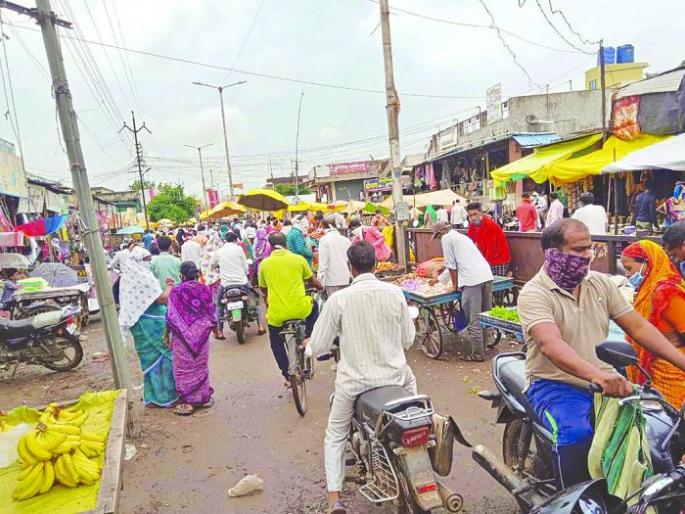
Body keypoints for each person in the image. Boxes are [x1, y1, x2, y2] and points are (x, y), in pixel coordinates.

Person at [517, 219, 685, 488]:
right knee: (577, 436)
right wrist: (597, 376)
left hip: (607, 383)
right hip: (555, 385)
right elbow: (551, 345)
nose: (587, 256)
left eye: (589, 249)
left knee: (656, 435)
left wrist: (682, 362)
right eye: (579, 250)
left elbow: (640, 328)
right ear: (552, 253)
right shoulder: (534, 293)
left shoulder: (600, 284)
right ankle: (574, 500)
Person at [308, 241, 417, 514]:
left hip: (354, 383)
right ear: (377, 264)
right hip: (396, 377)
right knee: (416, 411)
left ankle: (335, 498)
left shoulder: (338, 300)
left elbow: (320, 346)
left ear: (349, 268)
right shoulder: (395, 293)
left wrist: (315, 345)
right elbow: (408, 339)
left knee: (334, 435)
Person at [621, 241, 685, 407]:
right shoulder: (646, 290)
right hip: (653, 373)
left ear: (647, 263)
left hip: (672, 374)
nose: (627, 275)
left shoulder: (666, 292)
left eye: (629, 269)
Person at [259, 231, 322, 386]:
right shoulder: (298, 259)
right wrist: (320, 286)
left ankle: (287, 375)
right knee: (314, 306)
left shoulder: (264, 264)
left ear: (270, 246)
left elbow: (263, 289)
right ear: (286, 244)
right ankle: (308, 337)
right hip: (300, 309)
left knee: (275, 342)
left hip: (277, 314)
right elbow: (311, 280)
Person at [118, 247, 178, 408]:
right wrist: (170, 286)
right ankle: (167, 397)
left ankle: (152, 398)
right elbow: (161, 299)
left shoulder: (127, 276)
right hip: (151, 323)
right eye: (147, 259)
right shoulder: (144, 277)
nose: (149, 262)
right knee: (164, 358)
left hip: (138, 325)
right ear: (139, 261)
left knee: (149, 361)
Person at [433, 221, 494, 361]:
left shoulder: (446, 238)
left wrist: (454, 286)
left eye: (437, 237)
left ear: (439, 233)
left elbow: (452, 266)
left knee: (475, 319)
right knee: (485, 316)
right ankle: (483, 347)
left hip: (471, 281)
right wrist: (438, 280)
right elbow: (453, 266)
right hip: (486, 276)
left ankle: (477, 355)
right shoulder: (461, 237)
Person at [167, 261, 217, 416]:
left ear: (182, 275)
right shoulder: (205, 289)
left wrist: (165, 336)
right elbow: (210, 313)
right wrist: (215, 330)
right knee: (200, 367)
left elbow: (170, 316)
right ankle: (203, 398)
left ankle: (187, 403)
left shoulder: (176, 291)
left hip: (181, 340)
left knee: (182, 370)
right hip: (202, 338)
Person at [211, 231, 264, 339]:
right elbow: (245, 267)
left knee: (219, 304)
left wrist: (217, 266)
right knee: (255, 300)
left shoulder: (219, 251)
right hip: (242, 282)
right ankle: (260, 326)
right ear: (235, 240)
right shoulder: (239, 249)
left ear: (224, 240)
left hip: (226, 284)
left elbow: (212, 264)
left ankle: (220, 331)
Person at [466, 202, 512, 276]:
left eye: (475, 214)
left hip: (498, 260)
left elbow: (491, 249)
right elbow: (471, 244)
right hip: (485, 259)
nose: (473, 218)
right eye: (470, 215)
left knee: (494, 285)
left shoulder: (490, 225)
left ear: (481, 213)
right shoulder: (472, 226)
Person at [317, 218, 352, 297]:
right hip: (345, 279)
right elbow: (350, 260)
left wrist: (320, 282)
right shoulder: (346, 240)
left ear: (323, 227)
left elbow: (323, 264)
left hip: (331, 281)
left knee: (334, 306)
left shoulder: (324, 240)